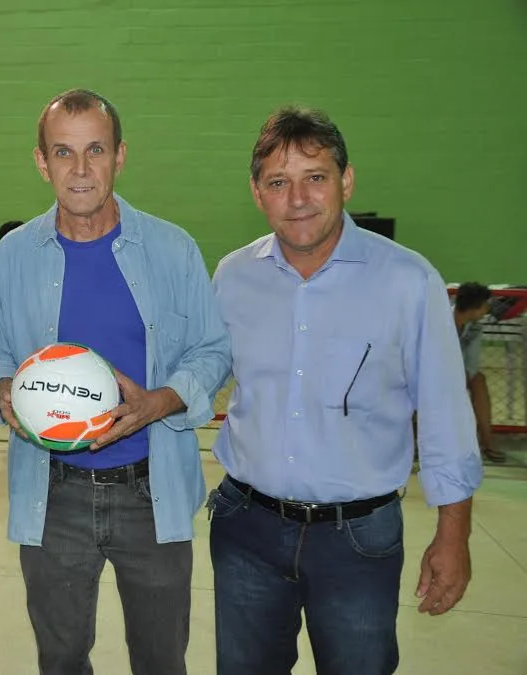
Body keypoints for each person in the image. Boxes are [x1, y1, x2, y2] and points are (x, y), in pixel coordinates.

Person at [209, 105, 483, 675]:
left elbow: (445, 417)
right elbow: (198, 374)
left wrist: (452, 537)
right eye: (278, 182)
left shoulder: (409, 281)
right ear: (257, 194)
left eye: (316, 177)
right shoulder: (232, 277)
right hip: (246, 531)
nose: (299, 197)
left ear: (346, 181)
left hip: (358, 539)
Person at [0, 89, 231, 675]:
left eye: (96, 149)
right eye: (64, 152)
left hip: (152, 487)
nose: (81, 169)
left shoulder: (172, 248)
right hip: (54, 492)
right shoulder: (14, 255)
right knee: (61, 659)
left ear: (120, 155)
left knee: (161, 658)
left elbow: (213, 349)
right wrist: (2, 391)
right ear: (42, 161)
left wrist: (159, 401)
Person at [453, 282, 504, 463]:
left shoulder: (474, 328)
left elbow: (471, 365)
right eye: (484, 306)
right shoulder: (437, 321)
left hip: (453, 375)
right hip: (430, 374)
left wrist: (461, 376)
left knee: (478, 379)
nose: (486, 310)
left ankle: (487, 440)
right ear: (473, 308)